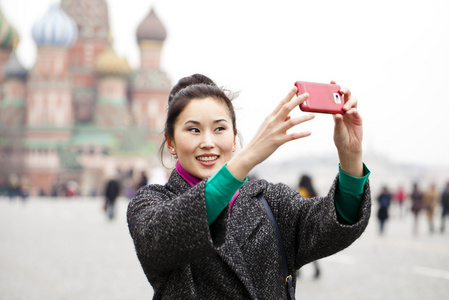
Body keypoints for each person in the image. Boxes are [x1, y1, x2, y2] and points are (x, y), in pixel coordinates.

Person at [127, 74, 371, 299]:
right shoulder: (149, 203)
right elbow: (163, 237)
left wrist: (351, 158)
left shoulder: (269, 200)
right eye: (193, 130)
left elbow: (333, 224)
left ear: (234, 139)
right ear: (170, 143)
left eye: (219, 128)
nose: (208, 142)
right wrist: (249, 156)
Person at [297, 174, 321, 278]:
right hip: (312, 224)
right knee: (310, 249)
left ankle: (297, 271)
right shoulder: (313, 191)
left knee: (298, 249)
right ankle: (317, 270)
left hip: (302, 224)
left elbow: (298, 207)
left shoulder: (301, 191)